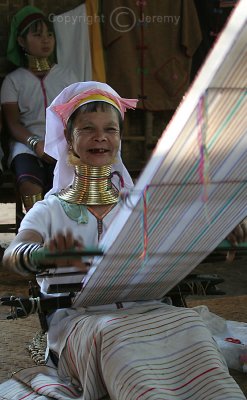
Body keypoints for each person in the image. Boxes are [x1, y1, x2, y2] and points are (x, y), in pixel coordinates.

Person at [1, 81, 246, 399]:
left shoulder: (140, 205)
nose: (100, 136)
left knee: (189, 324)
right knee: (116, 334)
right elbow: (13, 253)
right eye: (87, 128)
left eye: (110, 129)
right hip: (79, 321)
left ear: (118, 138)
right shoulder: (51, 208)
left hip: (145, 309)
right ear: (69, 139)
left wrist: (223, 225)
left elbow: (189, 224)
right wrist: (36, 254)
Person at [0, 5, 77, 211]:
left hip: (63, 144)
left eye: (49, 34)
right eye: (37, 35)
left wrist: (63, 143)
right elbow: (13, 124)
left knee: (68, 186)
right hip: (26, 145)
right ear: (21, 41)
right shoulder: (13, 81)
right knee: (28, 184)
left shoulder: (67, 77)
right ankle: (35, 232)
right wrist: (37, 144)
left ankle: (62, 233)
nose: (46, 40)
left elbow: (77, 116)